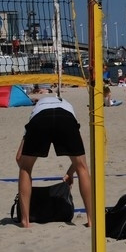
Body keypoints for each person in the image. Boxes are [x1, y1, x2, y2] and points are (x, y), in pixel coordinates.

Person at [15, 96, 93, 227]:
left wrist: (25, 170)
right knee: (82, 168)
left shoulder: (36, 110)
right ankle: (91, 220)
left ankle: (25, 221)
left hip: (40, 120)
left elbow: (18, 157)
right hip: (65, 118)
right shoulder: (68, 106)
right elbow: (79, 154)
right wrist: (70, 172)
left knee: (25, 168)